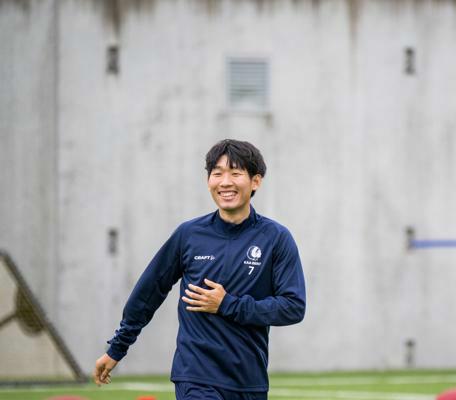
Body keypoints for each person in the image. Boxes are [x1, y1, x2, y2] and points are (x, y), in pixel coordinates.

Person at [94, 139, 306, 400]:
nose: (225, 182)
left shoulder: (276, 238)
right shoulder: (189, 235)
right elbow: (149, 292)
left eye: (235, 173)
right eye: (217, 174)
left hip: (249, 381)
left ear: (255, 181)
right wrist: (117, 348)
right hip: (195, 376)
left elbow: (293, 307)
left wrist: (228, 304)